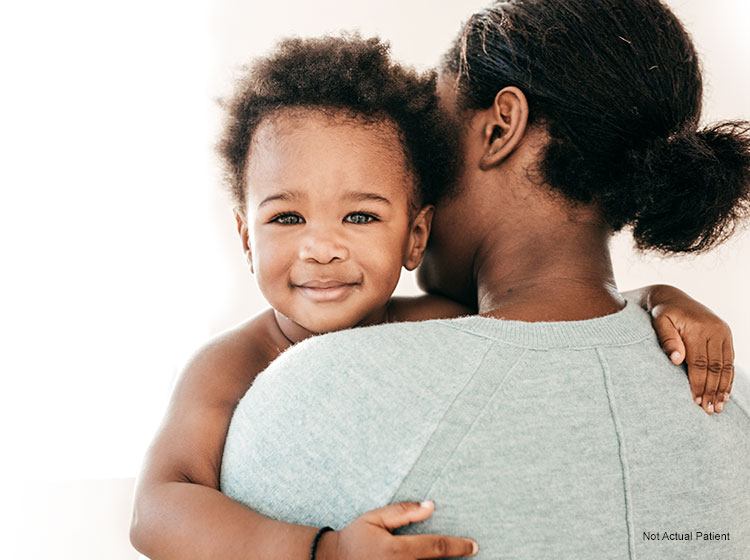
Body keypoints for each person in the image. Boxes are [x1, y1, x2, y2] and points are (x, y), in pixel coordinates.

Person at [129, 32, 738, 559]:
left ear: (415, 235)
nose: (321, 248)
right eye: (286, 218)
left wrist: (655, 296)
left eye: (361, 218)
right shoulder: (230, 365)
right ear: (245, 236)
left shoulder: (440, 321)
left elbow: (555, 325)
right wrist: (320, 550)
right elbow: (157, 510)